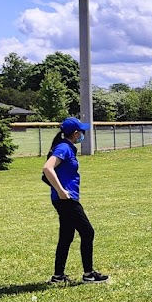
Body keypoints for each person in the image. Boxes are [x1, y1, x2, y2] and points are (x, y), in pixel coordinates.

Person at [42, 117, 109, 284]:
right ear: (75, 133)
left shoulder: (67, 147)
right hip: (66, 199)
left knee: (66, 236)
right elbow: (47, 168)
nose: (83, 134)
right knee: (87, 232)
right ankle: (88, 275)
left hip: (64, 199)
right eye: (81, 131)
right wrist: (61, 190)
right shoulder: (64, 148)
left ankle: (58, 276)